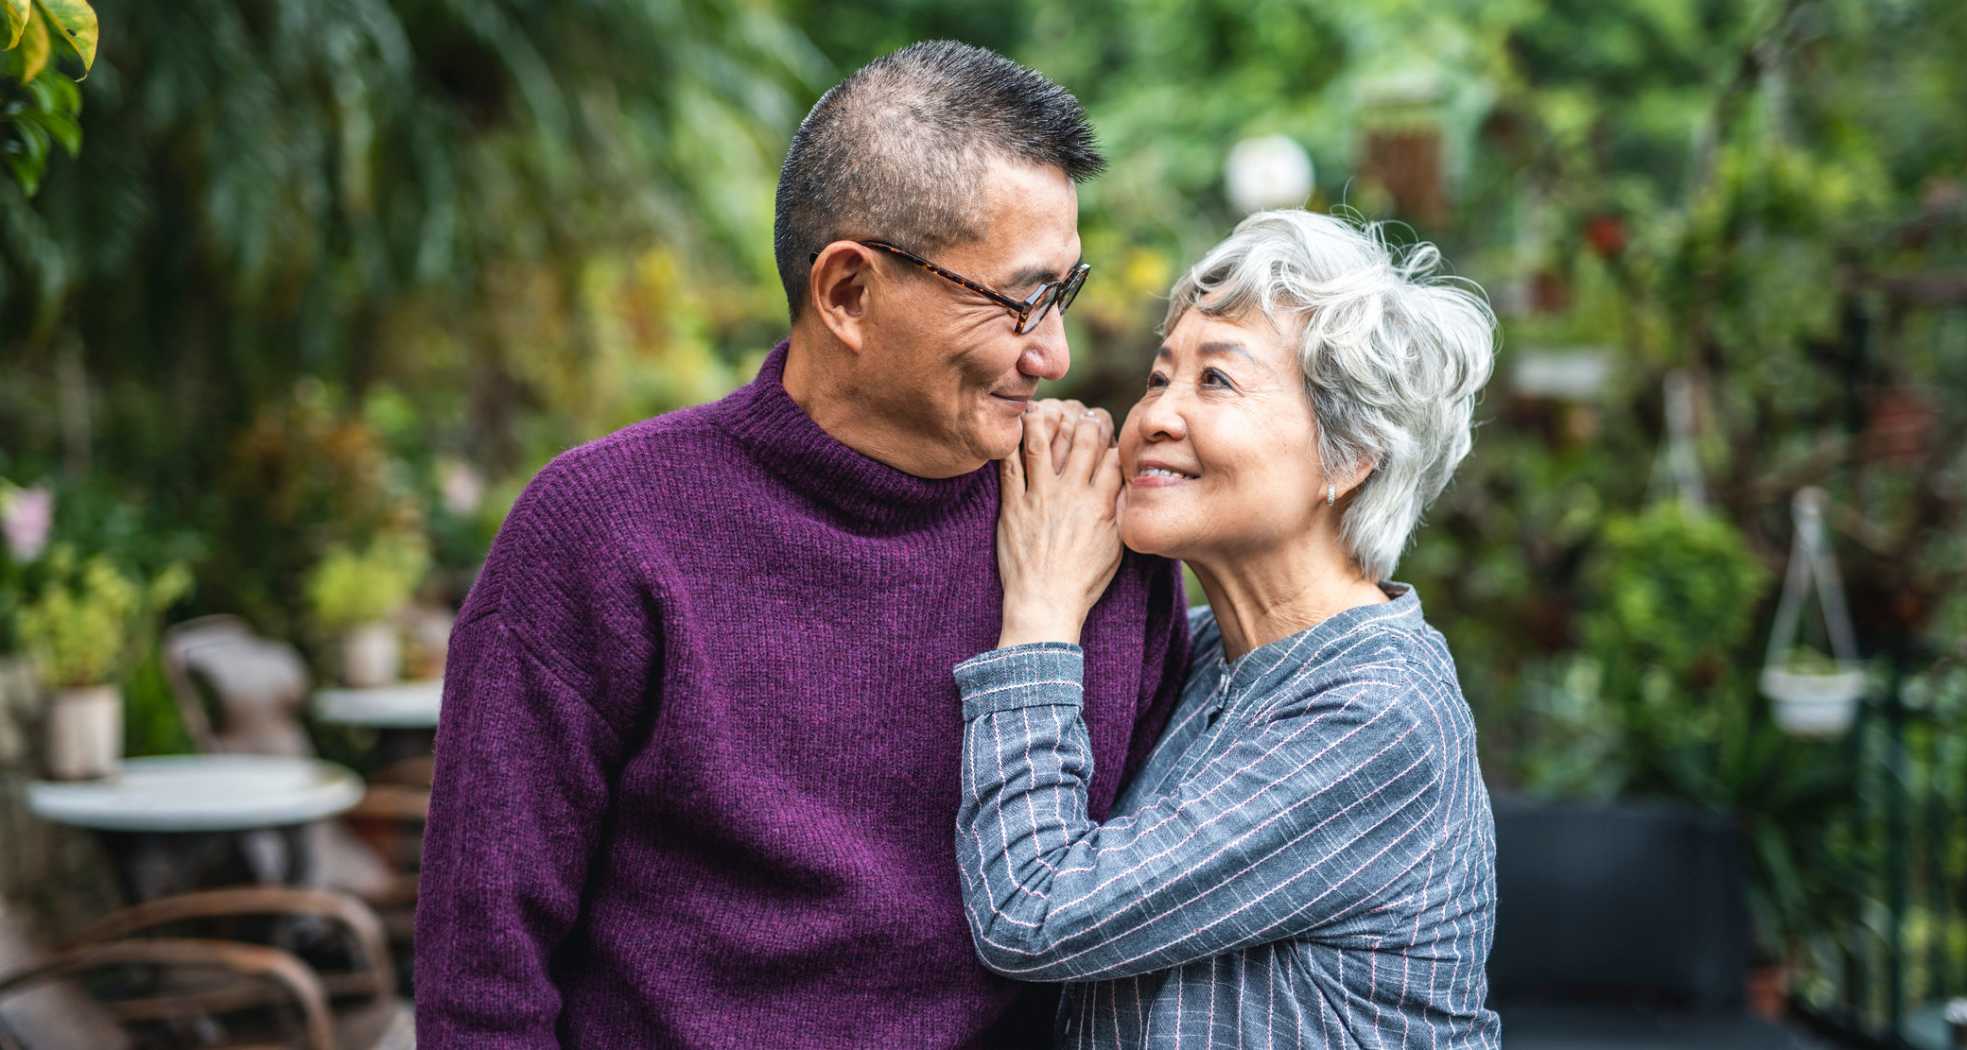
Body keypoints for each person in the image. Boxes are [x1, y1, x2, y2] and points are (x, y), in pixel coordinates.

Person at [414, 41, 1190, 1047]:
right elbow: (484, 985)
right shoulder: (601, 531)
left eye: (1064, 293)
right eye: (1019, 301)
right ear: (848, 295)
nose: (1055, 354)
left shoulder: (1089, 533)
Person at [953, 209, 1503, 1047]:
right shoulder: (1210, 655)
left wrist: (1039, 614)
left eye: (1215, 382)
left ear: (1349, 455)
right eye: (1158, 376)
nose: (1156, 418)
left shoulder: (1380, 715)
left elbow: (1033, 909)